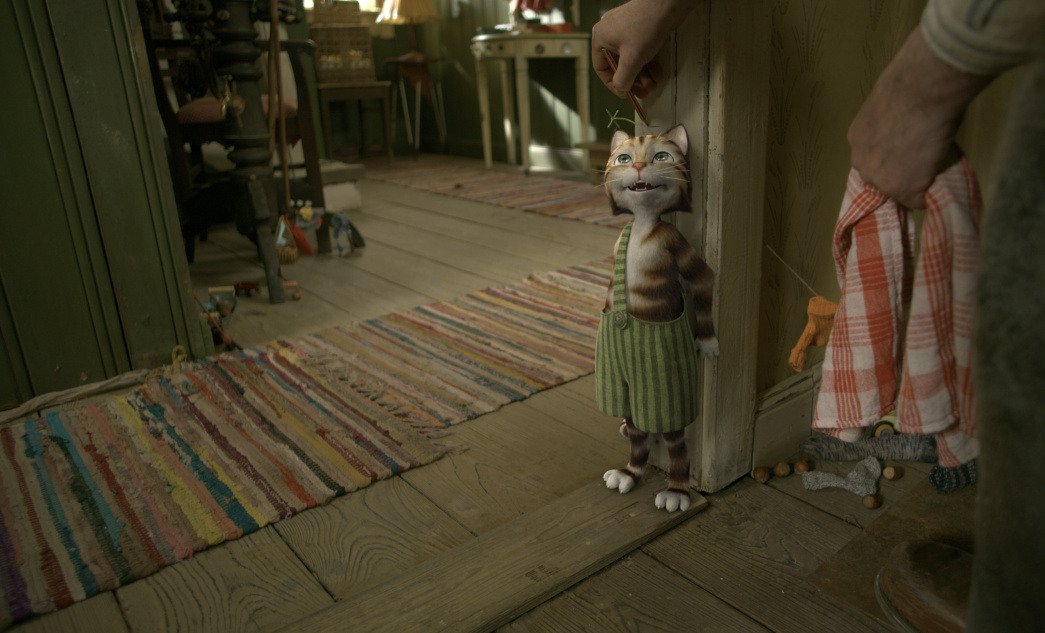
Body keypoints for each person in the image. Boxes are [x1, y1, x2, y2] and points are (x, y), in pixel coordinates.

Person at [592, 1, 1044, 631]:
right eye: (627, 161)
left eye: (655, 160)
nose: (638, 169)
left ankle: (1014, 600)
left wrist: (930, 76)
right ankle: (636, 463)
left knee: (669, 411)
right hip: (629, 341)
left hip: (664, 342)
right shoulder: (626, 241)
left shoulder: (671, 242)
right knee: (635, 408)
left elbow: (701, 282)